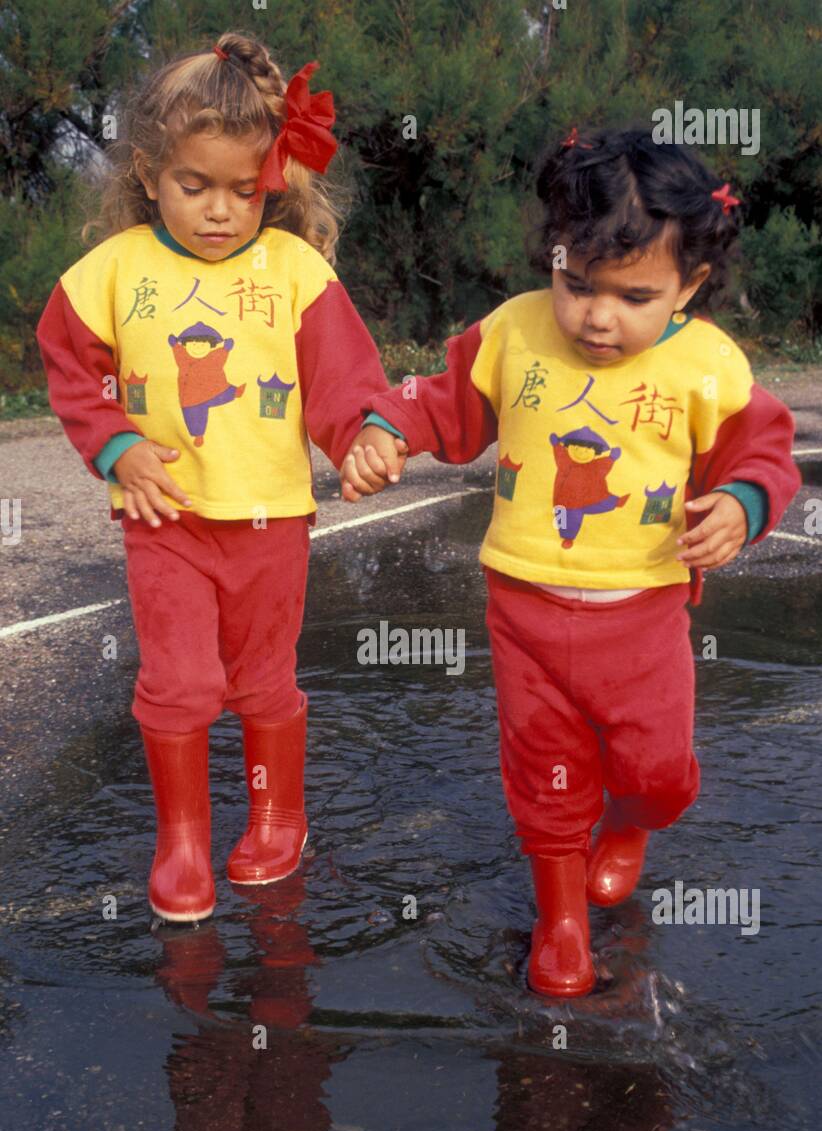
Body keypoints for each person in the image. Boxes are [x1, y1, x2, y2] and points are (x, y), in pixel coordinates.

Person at [340, 127, 801, 998]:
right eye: (576, 283)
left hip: (645, 614)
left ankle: (629, 826)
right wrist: (385, 429)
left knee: (655, 773)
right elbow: (439, 403)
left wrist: (741, 504)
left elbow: (764, 454)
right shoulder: (513, 335)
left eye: (633, 296)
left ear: (689, 286)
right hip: (526, 607)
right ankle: (559, 920)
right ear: (554, 259)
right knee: (544, 771)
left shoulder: (707, 365)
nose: (596, 316)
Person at [36, 33, 399, 923]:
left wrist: (363, 434)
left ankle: (278, 818)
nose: (219, 212)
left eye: (244, 191)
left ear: (272, 182)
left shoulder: (295, 273)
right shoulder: (113, 272)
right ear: (151, 171)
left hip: (274, 521)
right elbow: (72, 368)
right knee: (181, 685)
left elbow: (345, 381)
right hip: (166, 522)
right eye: (194, 186)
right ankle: (184, 841)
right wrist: (117, 446)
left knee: (263, 684)